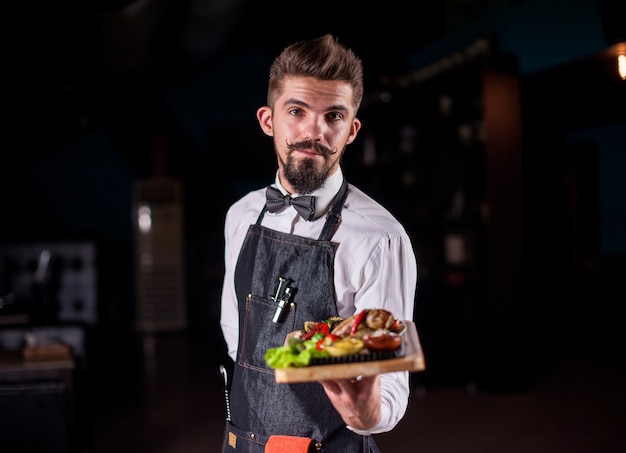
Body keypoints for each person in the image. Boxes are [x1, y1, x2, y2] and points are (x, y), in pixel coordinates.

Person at [219, 34, 418, 452]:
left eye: (333, 116)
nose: (314, 131)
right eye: (297, 111)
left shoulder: (380, 239)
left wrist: (366, 413)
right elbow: (237, 338)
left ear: (351, 130)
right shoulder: (240, 216)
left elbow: (391, 386)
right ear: (268, 120)